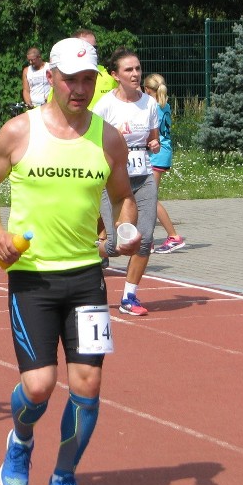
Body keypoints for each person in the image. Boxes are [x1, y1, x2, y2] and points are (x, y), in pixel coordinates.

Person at [0, 37, 140, 485]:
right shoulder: (19, 132)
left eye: (88, 79)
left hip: (87, 277)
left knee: (87, 384)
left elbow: (123, 194)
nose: (80, 89)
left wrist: (124, 228)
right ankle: (21, 438)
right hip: (32, 279)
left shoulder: (107, 137)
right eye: (71, 79)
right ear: (52, 77)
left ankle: (64, 478)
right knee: (40, 386)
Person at [93, 47, 161, 316]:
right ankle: (83, 252)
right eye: (128, 70)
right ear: (115, 75)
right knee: (115, 246)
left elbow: (153, 140)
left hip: (142, 177)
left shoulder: (150, 104)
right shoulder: (105, 106)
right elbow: (91, 143)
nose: (135, 74)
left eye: (137, 68)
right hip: (112, 182)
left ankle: (129, 297)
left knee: (144, 240)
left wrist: (154, 144)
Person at [145, 74, 185, 254]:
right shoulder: (164, 104)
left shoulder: (151, 107)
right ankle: (148, 239)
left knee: (150, 198)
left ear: (147, 90)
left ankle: (173, 236)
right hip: (162, 152)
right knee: (145, 197)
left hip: (157, 153)